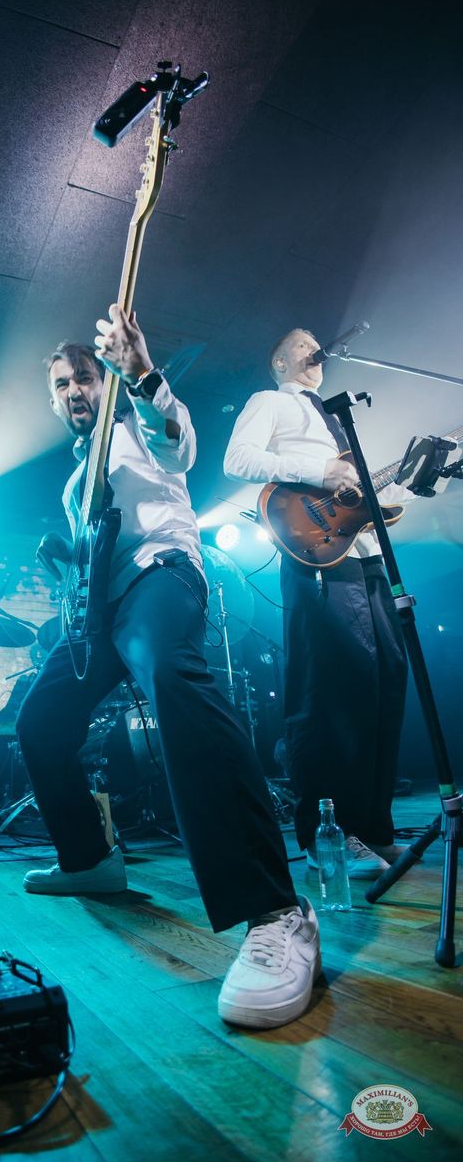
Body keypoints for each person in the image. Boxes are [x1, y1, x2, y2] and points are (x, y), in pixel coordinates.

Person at [16, 305, 321, 1029]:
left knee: (170, 676)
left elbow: (179, 444)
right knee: (39, 723)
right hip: (100, 612)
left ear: (104, 384)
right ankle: (90, 860)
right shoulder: (74, 481)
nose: (74, 391)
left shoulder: (133, 427)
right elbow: (90, 556)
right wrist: (65, 562)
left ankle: (276, 910)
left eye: (84, 377)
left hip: (162, 576)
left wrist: (143, 373)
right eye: (61, 384)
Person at [223, 327, 408, 878]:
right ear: (281, 361)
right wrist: (318, 471)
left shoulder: (334, 420)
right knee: (328, 692)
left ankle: (373, 828)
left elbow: (364, 494)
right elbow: (238, 459)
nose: (314, 349)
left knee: (385, 682)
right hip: (315, 555)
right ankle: (326, 838)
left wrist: (421, 477)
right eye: (303, 343)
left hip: (364, 555)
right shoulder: (271, 401)